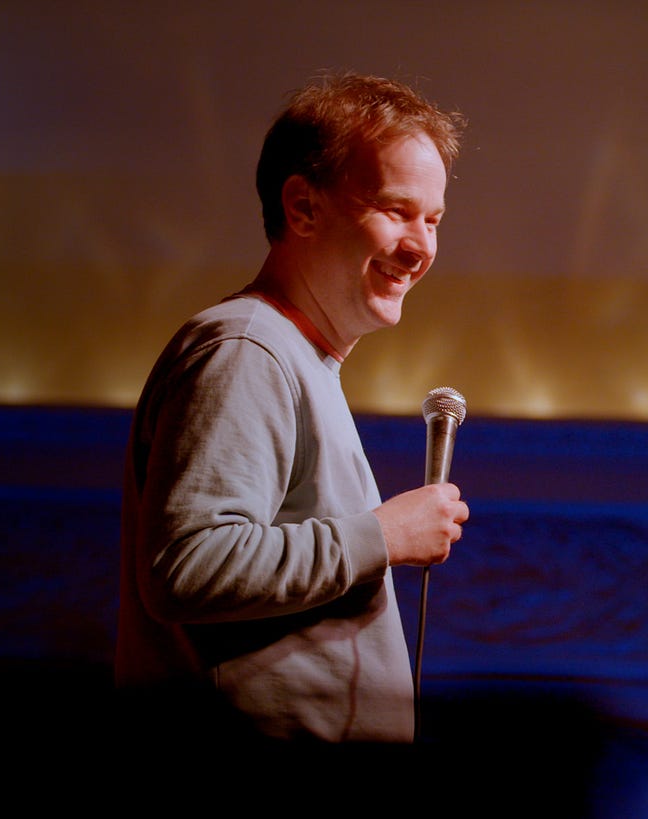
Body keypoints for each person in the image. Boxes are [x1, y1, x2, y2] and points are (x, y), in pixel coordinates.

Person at [114, 71, 470, 745]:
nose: (422, 247)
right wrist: (382, 536)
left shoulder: (294, 357)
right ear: (303, 208)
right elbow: (186, 565)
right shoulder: (248, 349)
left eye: (433, 219)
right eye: (397, 210)